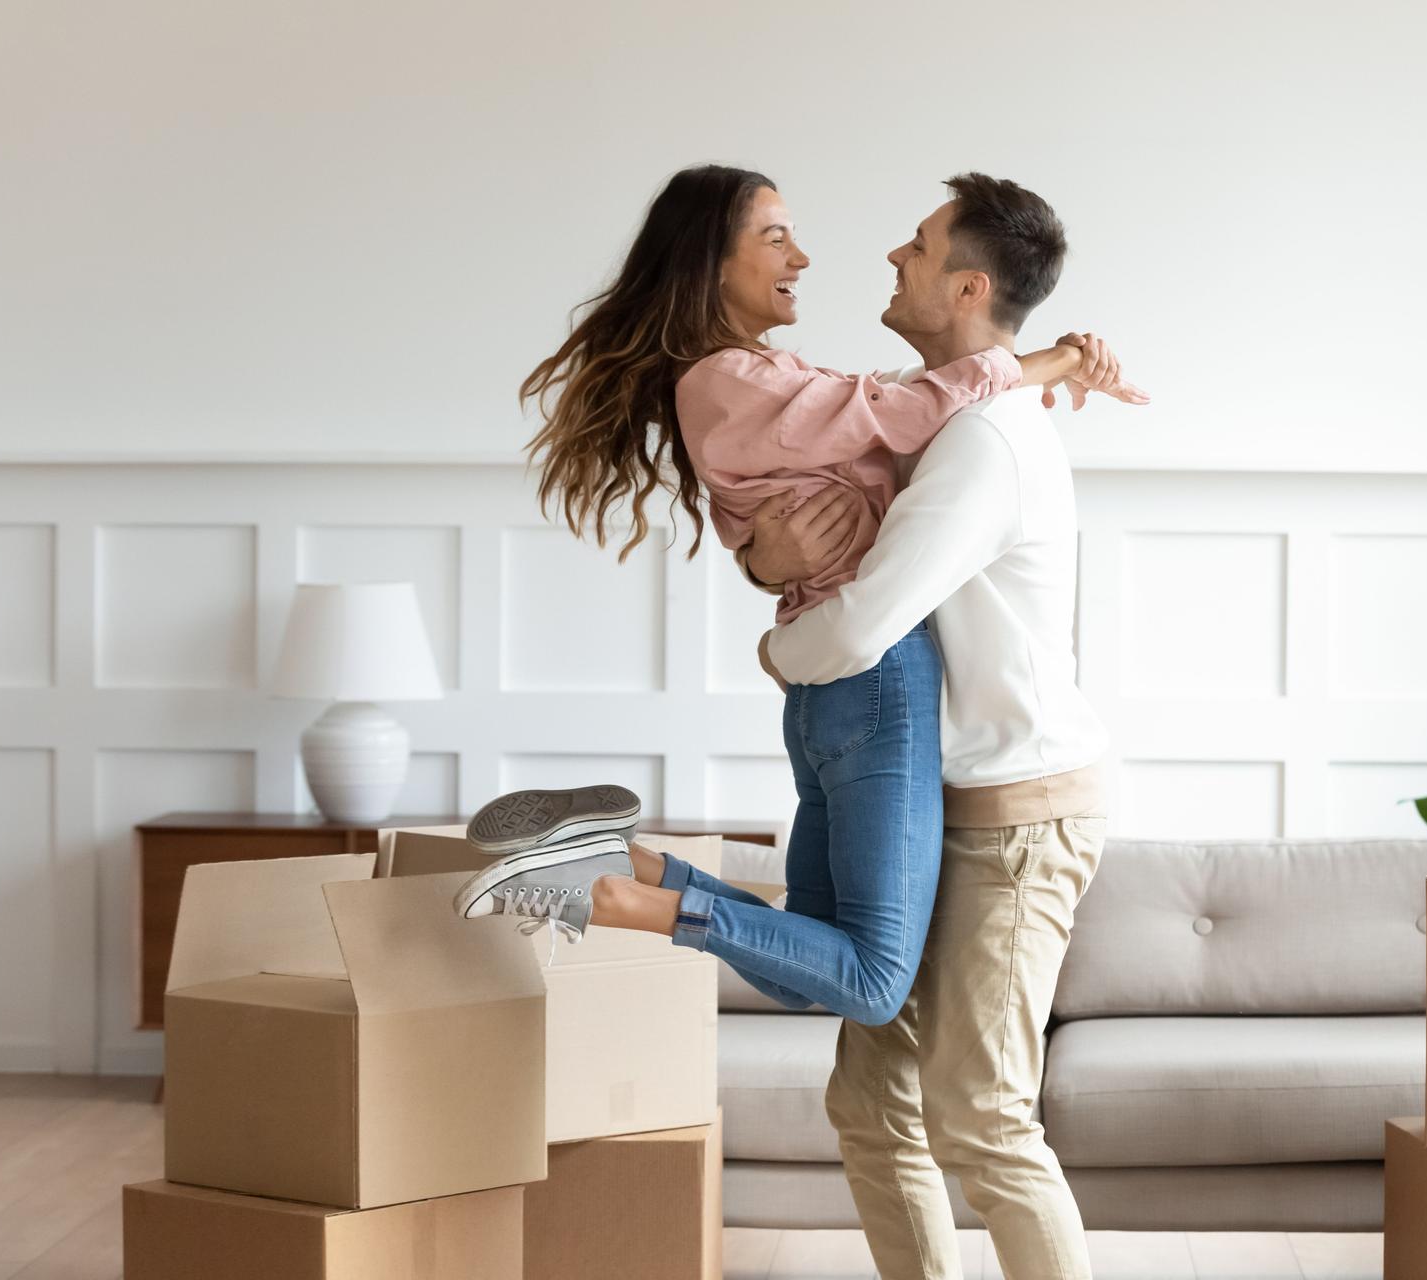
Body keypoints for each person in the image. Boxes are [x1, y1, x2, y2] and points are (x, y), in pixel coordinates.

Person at [450, 165, 1143, 1035]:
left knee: (801, 964)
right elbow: (899, 410)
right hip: (872, 682)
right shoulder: (732, 380)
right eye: (774, 236)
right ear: (711, 262)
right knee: (873, 980)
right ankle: (626, 900)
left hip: (838, 695)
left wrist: (1056, 361)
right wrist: (1050, 360)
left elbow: (879, 438)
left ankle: (615, 863)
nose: (803, 256)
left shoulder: (758, 380)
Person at [739, 173, 1114, 1280]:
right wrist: (769, 557)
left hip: (1017, 821)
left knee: (984, 1118)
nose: (889, 260)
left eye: (914, 246)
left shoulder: (983, 446)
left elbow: (859, 623)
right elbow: (816, 528)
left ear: (967, 284)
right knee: (869, 1103)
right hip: (938, 806)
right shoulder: (953, 410)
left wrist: (771, 648)